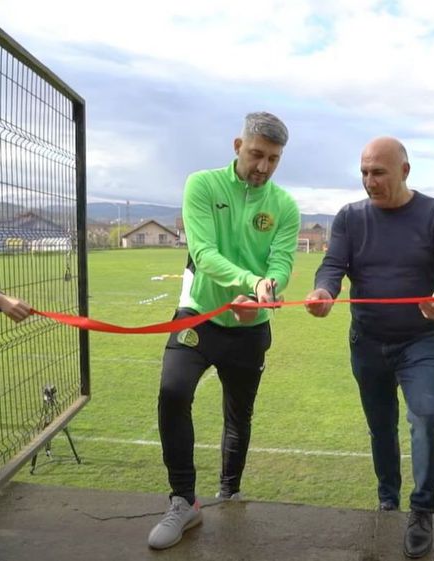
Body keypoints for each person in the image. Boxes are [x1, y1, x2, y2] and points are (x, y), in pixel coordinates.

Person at [305, 137, 434, 559]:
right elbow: (332, 267)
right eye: (364, 172)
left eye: (378, 172)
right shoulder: (349, 218)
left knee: (427, 417)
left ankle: (422, 510)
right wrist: (323, 292)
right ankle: (388, 500)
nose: (369, 181)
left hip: (419, 341)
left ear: (405, 171)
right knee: (381, 427)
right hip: (367, 341)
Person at [147, 112, 301, 550]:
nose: (264, 167)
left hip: (251, 326)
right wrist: (251, 282)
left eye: (273, 159)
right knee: (173, 393)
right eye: (256, 154)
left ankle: (229, 493)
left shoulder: (285, 206)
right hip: (198, 314)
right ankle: (183, 501)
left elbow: (282, 262)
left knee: (239, 414)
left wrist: (270, 287)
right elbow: (204, 252)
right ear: (238, 146)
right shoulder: (202, 185)